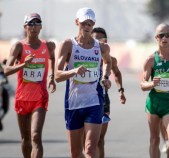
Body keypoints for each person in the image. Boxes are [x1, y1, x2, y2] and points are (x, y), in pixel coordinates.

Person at [55, 8, 112, 158]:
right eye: (84, 23)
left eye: (90, 23)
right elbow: (57, 75)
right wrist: (73, 71)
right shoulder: (68, 45)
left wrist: (105, 76)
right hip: (73, 103)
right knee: (75, 153)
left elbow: (108, 62)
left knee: (90, 149)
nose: (87, 27)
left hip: (94, 102)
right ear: (76, 22)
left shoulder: (101, 47)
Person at [4, 13, 56, 158]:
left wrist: (51, 76)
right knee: (26, 139)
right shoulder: (19, 46)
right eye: (30, 24)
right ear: (25, 26)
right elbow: (7, 70)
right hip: (22, 98)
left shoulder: (48, 45)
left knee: (35, 136)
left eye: (37, 23)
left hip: (40, 98)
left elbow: (52, 58)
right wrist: (23, 64)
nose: (33, 27)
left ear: (41, 27)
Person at [140, 23, 169, 158]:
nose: (165, 38)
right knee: (154, 139)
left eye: (167, 35)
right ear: (156, 38)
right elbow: (143, 85)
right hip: (154, 104)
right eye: (161, 35)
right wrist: (152, 83)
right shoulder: (151, 60)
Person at [91, 27, 126, 158]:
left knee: (99, 139)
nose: (99, 42)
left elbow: (117, 73)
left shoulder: (111, 59)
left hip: (103, 100)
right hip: (85, 99)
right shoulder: (83, 57)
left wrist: (120, 90)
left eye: (102, 39)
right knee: (88, 140)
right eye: (96, 39)